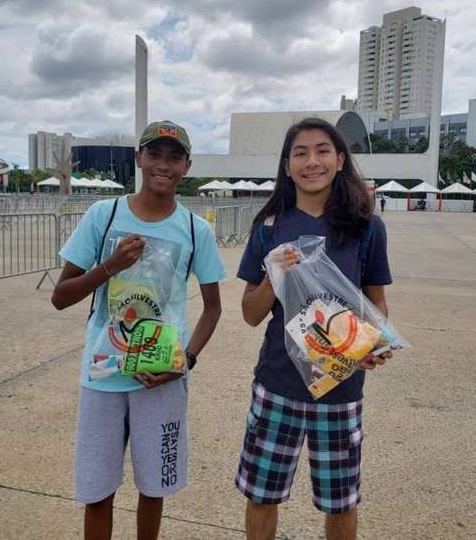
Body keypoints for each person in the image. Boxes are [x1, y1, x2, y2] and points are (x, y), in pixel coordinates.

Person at [52, 121, 225, 540]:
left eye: (174, 157)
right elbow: (61, 296)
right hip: (103, 376)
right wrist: (111, 266)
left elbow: (213, 309)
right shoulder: (104, 215)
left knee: (154, 488)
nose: (163, 165)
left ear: (187, 165)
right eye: (154, 154)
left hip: (160, 377)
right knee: (97, 491)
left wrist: (185, 362)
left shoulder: (194, 230)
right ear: (138, 158)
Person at [235, 118, 393, 540]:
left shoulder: (367, 228)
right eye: (300, 153)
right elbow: (250, 314)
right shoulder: (268, 227)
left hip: (340, 387)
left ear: (340, 160)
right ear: (287, 166)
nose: (312, 161)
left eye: (322, 151)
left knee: (340, 502)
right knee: (262, 496)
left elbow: (376, 301)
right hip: (277, 384)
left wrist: (377, 340)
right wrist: (273, 277)